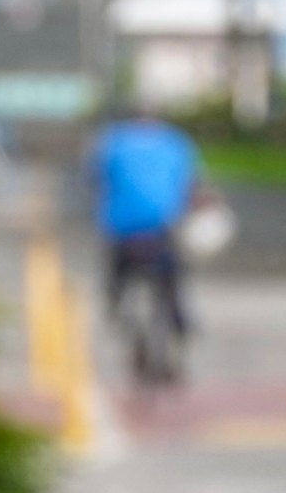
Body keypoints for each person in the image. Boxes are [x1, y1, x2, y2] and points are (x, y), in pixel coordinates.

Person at [88, 108, 207, 358]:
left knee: (116, 277)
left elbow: (96, 178)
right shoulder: (175, 142)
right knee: (173, 277)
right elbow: (191, 184)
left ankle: (115, 308)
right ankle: (179, 320)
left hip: (122, 228)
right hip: (162, 226)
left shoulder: (113, 142)